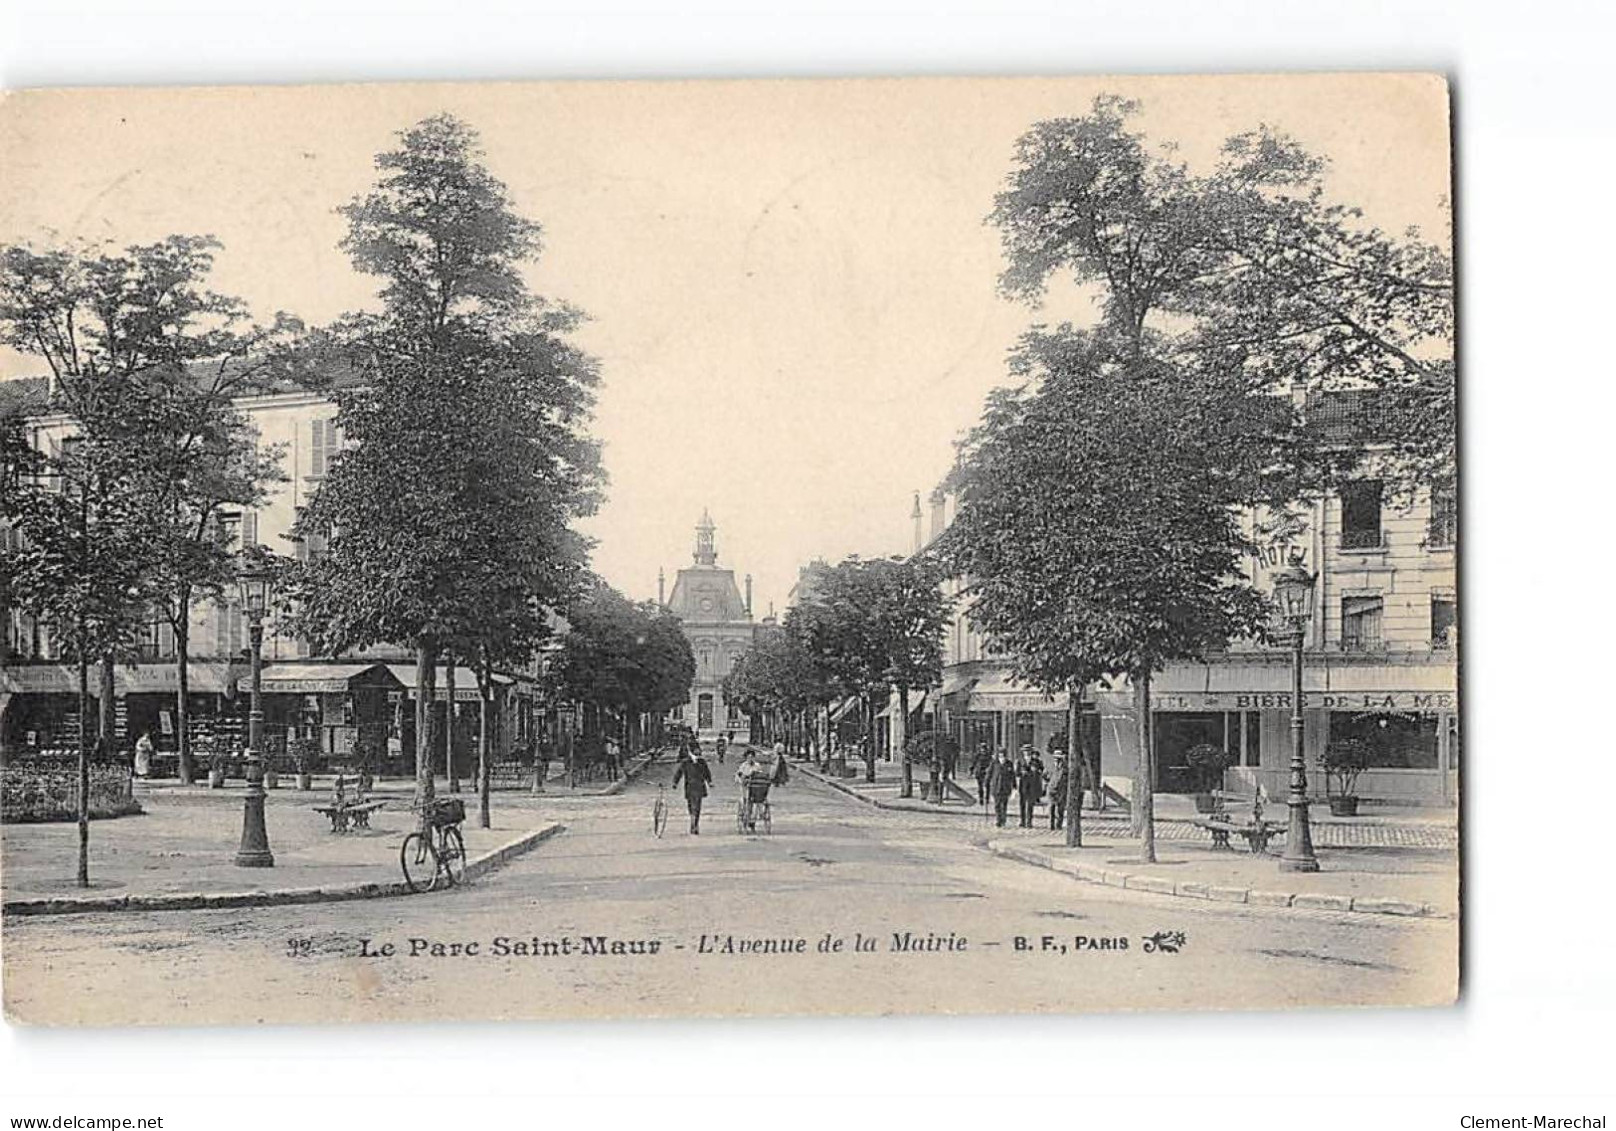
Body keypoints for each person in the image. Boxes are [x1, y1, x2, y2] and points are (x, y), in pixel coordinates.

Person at [672, 747, 713, 834]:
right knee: (691, 806)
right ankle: (692, 820)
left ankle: (695, 824)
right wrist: (675, 783)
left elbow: (707, 773)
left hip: (699, 786)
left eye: (699, 754)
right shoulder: (686, 762)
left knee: (697, 806)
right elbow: (679, 773)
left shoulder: (702, 762)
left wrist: (710, 782)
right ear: (691, 753)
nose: (697, 756)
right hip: (689, 787)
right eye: (696, 754)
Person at [988, 749, 1017, 828]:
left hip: (1005, 788)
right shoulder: (994, 763)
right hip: (996, 787)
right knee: (997, 805)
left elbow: (1012, 776)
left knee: (1004, 805)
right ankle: (998, 820)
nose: (1002, 757)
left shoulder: (1009, 764)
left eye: (1003, 756)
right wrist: (986, 783)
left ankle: (1003, 820)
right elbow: (989, 773)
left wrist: (1014, 786)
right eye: (1001, 756)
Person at [1017, 746, 1045, 828]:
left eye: (1028, 751)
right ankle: (1022, 821)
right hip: (1023, 785)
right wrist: (1021, 773)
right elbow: (1017, 773)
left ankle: (1029, 821)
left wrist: (1036, 771)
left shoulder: (1036, 761)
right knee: (1022, 804)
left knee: (1030, 805)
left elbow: (1041, 771)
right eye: (1025, 751)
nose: (1026, 753)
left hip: (1032, 785)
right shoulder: (1020, 761)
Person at [1047, 754, 1068, 831]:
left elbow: (1065, 781)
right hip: (1051, 790)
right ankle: (1051, 825)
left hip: (1061, 791)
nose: (1057, 762)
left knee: (1060, 809)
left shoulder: (1065, 770)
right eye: (1055, 760)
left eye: (1059, 760)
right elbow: (1045, 776)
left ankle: (1058, 825)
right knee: (1051, 808)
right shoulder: (1051, 768)